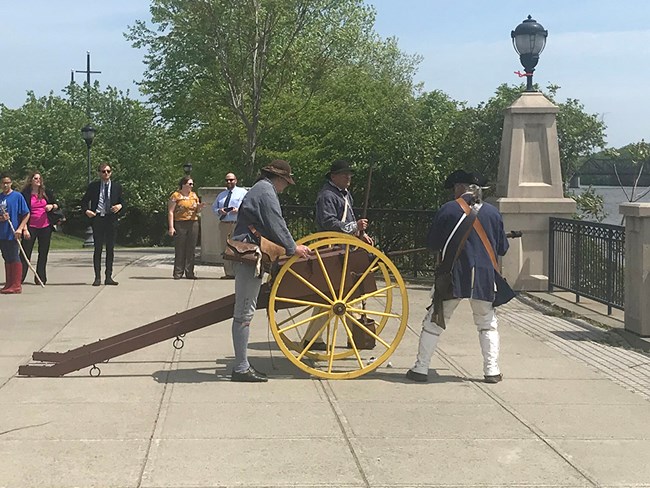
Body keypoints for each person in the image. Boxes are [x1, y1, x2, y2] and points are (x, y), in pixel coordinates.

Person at [406, 169, 509, 384]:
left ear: (460, 188)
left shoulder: (448, 210)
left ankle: (421, 368)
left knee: (434, 322)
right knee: (487, 324)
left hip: (454, 275)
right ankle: (491, 370)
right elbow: (502, 248)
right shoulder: (492, 213)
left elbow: (433, 244)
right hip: (483, 277)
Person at [228, 160, 311, 382]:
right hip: (249, 255)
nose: (286, 187)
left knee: (244, 311)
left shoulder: (261, 188)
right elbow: (276, 222)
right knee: (244, 312)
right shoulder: (266, 190)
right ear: (279, 179)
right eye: (286, 182)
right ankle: (241, 368)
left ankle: (242, 365)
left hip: (251, 254)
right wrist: (293, 248)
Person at [303, 159, 372, 350]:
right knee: (339, 295)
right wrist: (354, 227)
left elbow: (349, 219)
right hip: (333, 250)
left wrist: (361, 233)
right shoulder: (327, 196)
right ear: (333, 177)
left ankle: (315, 338)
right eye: (344, 174)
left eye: (349, 174)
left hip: (345, 249)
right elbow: (328, 223)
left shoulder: (345, 195)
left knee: (336, 295)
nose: (348, 178)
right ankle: (355, 334)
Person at [81, 163, 123, 286]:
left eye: (108, 171)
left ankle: (108, 276)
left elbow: (123, 202)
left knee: (110, 249)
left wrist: (120, 206)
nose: (106, 174)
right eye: (103, 171)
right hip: (98, 218)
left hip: (111, 219)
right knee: (98, 248)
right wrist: (86, 211)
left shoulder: (116, 187)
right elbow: (84, 201)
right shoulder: (93, 187)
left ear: (111, 173)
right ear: (99, 173)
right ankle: (97, 277)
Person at [20, 171, 60, 284]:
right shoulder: (25, 194)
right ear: (31, 180)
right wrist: (24, 228)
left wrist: (51, 206)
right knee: (25, 252)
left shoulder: (46, 193)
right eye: (35, 178)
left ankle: (40, 277)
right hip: (30, 226)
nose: (38, 180)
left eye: (39, 178)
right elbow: (22, 212)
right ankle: (20, 277)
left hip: (45, 226)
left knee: (43, 253)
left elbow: (57, 205)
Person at [168, 175, 206, 279]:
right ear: (183, 185)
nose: (191, 186)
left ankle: (190, 272)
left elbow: (197, 211)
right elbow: (171, 211)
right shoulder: (175, 196)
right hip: (180, 223)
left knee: (191, 249)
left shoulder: (194, 195)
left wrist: (199, 207)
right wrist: (171, 227)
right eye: (189, 184)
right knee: (180, 248)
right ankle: (178, 272)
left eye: (192, 184)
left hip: (193, 223)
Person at [212, 172, 247, 279]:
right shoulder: (221, 195)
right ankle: (229, 273)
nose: (229, 182)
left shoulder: (243, 193)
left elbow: (248, 206)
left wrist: (239, 211)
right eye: (227, 180)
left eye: (231, 180)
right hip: (224, 224)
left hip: (237, 224)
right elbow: (214, 208)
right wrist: (220, 211)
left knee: (237, 249)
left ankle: (239, 273)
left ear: (236, 180)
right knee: (225, 249)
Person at [0, 173, 29, 294]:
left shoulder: (17, 196)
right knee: (6, 257)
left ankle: (16, 284)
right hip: (2, 232)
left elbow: (26, 214)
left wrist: (21, 228)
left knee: (14, 256)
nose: (5, 185)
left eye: (7, 182)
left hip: (13, 232)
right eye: (3, 183)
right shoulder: (0, 197)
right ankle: (9, 283)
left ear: (11, 183)